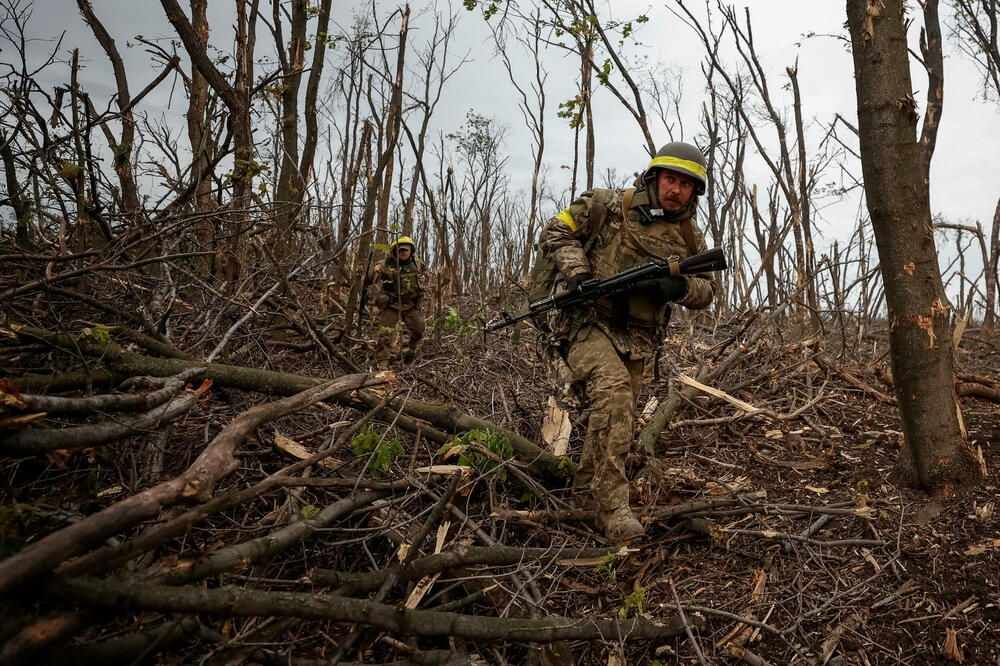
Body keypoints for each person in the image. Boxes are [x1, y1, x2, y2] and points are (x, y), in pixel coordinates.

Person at [538, 142, 717, 542]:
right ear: (655, 178)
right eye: (670, 179)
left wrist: (676, 286)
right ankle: (614, 508)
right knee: (615, 395)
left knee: (615, 415)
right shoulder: (606, 204)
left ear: (695, 192)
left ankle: (583, 498)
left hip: (638, 339)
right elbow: (557, 228)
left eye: (686, 185)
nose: (676, 190)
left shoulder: (690, 236)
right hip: (587, 322)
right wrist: (577, 272)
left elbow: (707, 291)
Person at [367, 237, 428, 370]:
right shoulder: (386, 264)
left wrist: (424, 277)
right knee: (385, 334)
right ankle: (382, 360)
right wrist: (375, 270)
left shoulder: (417, 263)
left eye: (406, 250)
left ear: (411, 250)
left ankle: (410, 350)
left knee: (419, 330)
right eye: (400, 250)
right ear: (395, 251)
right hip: (392, 305)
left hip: (411, 304)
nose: (403, 253)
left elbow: (425, 272)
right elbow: (369, 279)